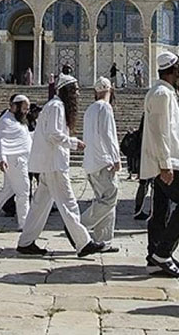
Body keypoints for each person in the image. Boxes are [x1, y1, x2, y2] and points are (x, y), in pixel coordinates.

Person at [16, 75, 105, 257]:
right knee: (69, 203)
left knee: (39, 206)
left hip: (50, 163)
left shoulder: (55, 106)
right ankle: (84, 242)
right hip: (54, 164)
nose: (78, 94)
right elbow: (53, 135)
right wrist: (74, 142)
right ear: (67, 91)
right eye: (76, 90)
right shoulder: (57, 107)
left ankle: (26, 242)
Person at [141, 51, 179, 278]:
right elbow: (160, 131)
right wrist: (165, 165)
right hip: (166, 162)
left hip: (165, 161)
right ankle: (162, 253)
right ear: (173, 70)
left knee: (161, 210)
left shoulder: (164, 92)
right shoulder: (162, 94)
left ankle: (155, 258)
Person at [0, 95, 32, 231]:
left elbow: (25, 137)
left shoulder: (18, 121)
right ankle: (24, 224)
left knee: (8, 189)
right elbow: (1, 140)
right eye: (24, 108)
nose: (26, 111)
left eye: (27, 109)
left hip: (20, 160)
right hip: (15, 161)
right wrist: (1, 159)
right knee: (24, 192)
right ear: (15, 106)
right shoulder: (6, 121)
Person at [80, 77, 121, 251]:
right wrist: (116, 157)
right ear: (109, 90)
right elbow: (108, 134)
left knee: (103, 200)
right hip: (103, 161)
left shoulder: (90, 109)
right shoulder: (105, 107)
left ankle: (103, 241)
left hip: (91, 161)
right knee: (110, 198)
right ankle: (78, 227)